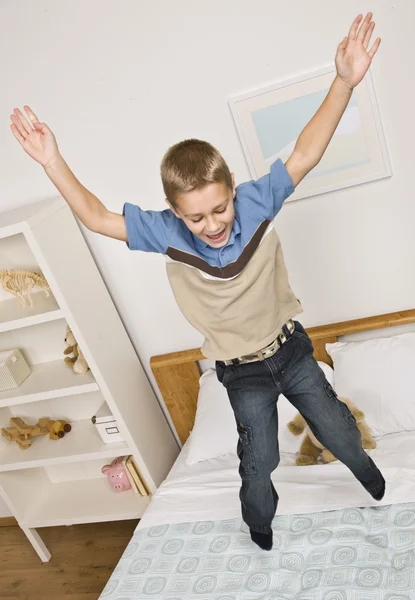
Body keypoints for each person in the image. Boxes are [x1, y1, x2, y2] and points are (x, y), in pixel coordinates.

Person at [10, 12, 385, 551]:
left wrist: (344, 81)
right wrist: (52, 160)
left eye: (220, 208)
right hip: (242, 372)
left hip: (292, 351)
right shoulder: (164, 233)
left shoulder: (256, 202)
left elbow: (305, 152)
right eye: (195, 218)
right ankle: (259, 526)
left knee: (339, 429)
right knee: (259, 461)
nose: (212, 225)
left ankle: (374, 482)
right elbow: (95, 216)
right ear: (174, 212)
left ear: (233, 187)